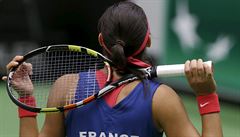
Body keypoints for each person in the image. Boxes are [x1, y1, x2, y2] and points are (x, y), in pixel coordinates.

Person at [3, 1, 222, 137]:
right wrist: (206, 95)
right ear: (148, 43)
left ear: (101, 40)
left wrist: (26, 98)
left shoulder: (66, 87)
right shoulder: (162, 99)